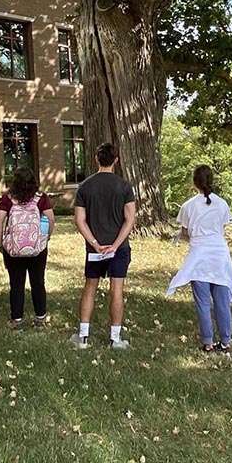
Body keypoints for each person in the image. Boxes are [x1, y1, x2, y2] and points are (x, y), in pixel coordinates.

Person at [70, 143, 137, 350]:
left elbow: (80, 220)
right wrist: (115, 245)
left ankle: (83, 337)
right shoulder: (124, 187)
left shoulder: (85, 186)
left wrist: (96, 244)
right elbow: (130, 219)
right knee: (116, 290)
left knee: (90, 287)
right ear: (116, 160)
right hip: (119, 249)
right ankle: (115, 338)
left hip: (94, 250)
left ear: (96, 159)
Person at [167, 165, 232, 353]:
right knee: (222, 300)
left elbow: (186, 231)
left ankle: (208, 342)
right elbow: (222, 228)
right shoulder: (222, 204)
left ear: (194, 182)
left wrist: (186, 234)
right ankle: (226, 341)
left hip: (199, 254)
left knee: (203, 301)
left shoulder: (188, 206)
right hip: (219, 254)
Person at [0, 166, 55, 331]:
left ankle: (17, 321)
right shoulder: (41, 198)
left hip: (14, 249)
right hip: (37, 248)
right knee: (38, 282)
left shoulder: (8, 199)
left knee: (16, 283)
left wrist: (1, 242)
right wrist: (45, 239)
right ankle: (40, 318)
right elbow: (50, 220)